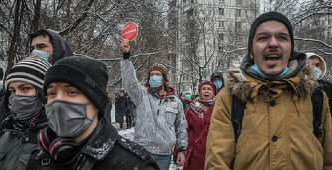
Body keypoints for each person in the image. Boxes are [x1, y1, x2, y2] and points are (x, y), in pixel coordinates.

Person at [205, 11, 332, 170]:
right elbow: (217, 164)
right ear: (251, 51)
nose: (273, 43)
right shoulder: (230, 97)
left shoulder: (316, 96)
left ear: (291, 50)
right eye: (263, 38)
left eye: (282, 37)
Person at [30, 56, 160, 170]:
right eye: (52, 93)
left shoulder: (135, 164)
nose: (58, 101)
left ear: (96, 101)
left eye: (71, 92)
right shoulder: (37, 159)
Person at [121, 40, 188, 170]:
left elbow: (181, 127)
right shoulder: (141, 95)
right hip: (142, 152)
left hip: (164, 155)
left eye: (157, 75)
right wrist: (126, 56)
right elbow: (129, 81)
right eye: (151, 75)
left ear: (164, 79)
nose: (154, 77)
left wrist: (181, 149)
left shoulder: (175, 101)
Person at [0, 58, 51, 169]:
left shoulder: (54, 137)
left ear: (44, 93)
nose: (17, 96)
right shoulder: (7, 129)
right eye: (12, 91)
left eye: (25, 88)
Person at [184, 81, 216, 170]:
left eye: (209, 89)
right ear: (200, 92)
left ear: (214, 93)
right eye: (203, 89)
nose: (206, 91)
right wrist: (179, 151)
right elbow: (184, 129)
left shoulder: (220, 107)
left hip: (213, 153)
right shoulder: (192, 107)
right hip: (195, 153)